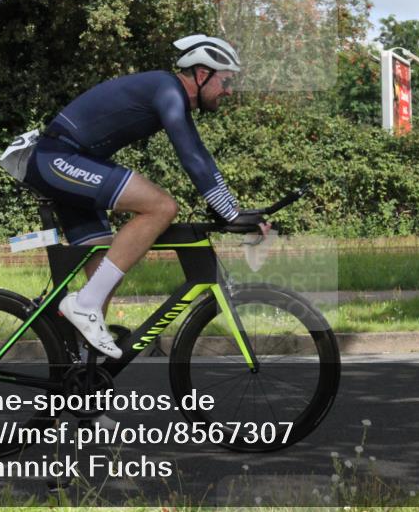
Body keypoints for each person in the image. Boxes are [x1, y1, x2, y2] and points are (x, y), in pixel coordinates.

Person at [22, 35, 269, 358]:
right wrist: (230, 213)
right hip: (58, 159)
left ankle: (82, 383)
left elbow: (201, 157)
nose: (228, 90)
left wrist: (232, 209)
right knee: (161, 207)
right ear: (201, 73)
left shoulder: (171, 96)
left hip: (70, 162)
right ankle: (83, 307)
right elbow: (191, 157)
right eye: (225, 81)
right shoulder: (167, 90)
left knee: (103, 276)